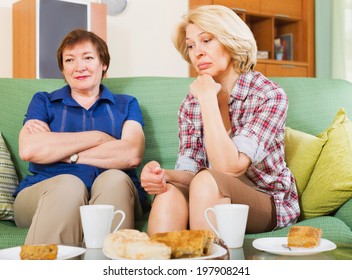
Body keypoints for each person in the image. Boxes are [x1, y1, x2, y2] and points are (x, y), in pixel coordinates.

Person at [140, 5, 300, 236]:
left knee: (207, 181)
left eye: (207, 40)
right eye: (191, 45)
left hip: (266, 199)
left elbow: (231, 167)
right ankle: (158, 267)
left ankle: (213, 267)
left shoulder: (268, 95)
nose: (197, 52)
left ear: (231, 40)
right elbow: (191, 173)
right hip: (207, 192)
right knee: (169, 193)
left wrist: (207, 99)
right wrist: (164, 176)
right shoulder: (189, 105)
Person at [14, 29, 148, 245]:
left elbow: (131, 154)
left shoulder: (126, 104)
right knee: (69, 185)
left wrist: (62, 152)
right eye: (70, 60)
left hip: (113, 189)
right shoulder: (44, 101)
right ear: (63, 68)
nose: (79, 67)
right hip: (43, 191)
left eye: (88, 57)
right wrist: (99, 137)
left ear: (103, 63)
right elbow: (29, 149)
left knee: (115, 179)